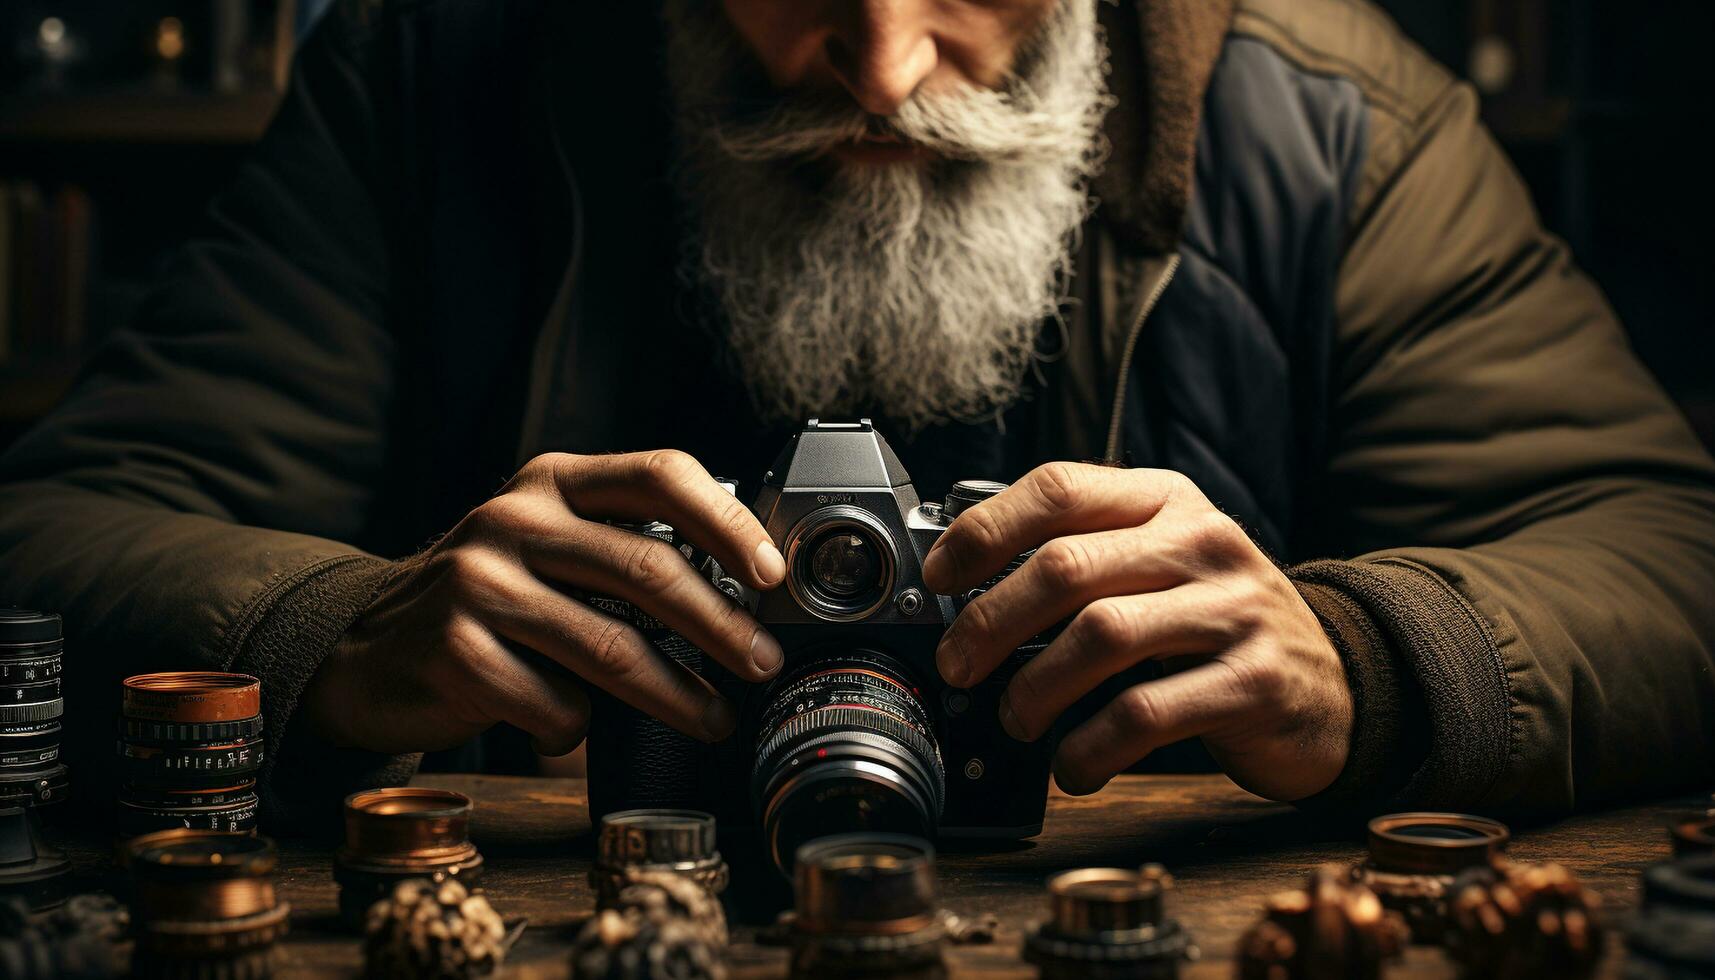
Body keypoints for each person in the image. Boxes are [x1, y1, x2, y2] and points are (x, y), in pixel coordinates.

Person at [2, 0, 1712, 826]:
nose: (883, 61)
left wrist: (1381, 656)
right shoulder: (437, 75)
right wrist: (331, 633)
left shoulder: (1332, 123)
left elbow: (1675, 555)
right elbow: (54, 540)